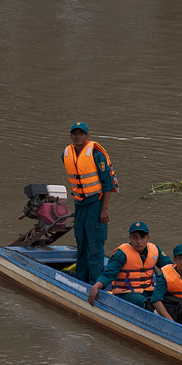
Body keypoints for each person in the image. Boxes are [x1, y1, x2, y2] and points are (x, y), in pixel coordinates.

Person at [62, 121, 117, 285]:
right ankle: (81, 280)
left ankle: (95, 282)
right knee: (81, 241)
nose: (78, 136)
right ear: (71, 135)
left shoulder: (96, 155)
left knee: (95, 245)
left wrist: (105, 209)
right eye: (75, 133)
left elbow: (107, 184)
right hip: (80, 204)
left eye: (81, 133)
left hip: (96, 204)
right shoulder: (66, 153)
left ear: (87, 136)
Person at [87, 221, 171, 307]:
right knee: (146, 303)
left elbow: (170, 268)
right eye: (135, 238)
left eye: (142, 237)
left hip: (149, 290)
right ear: (130, 238)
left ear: (148, 238)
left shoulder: (155, 250)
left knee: (169, 299)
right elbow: (108, 274)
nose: (139, 241)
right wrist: (96, 286)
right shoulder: (121, 254)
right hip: (127, 292)